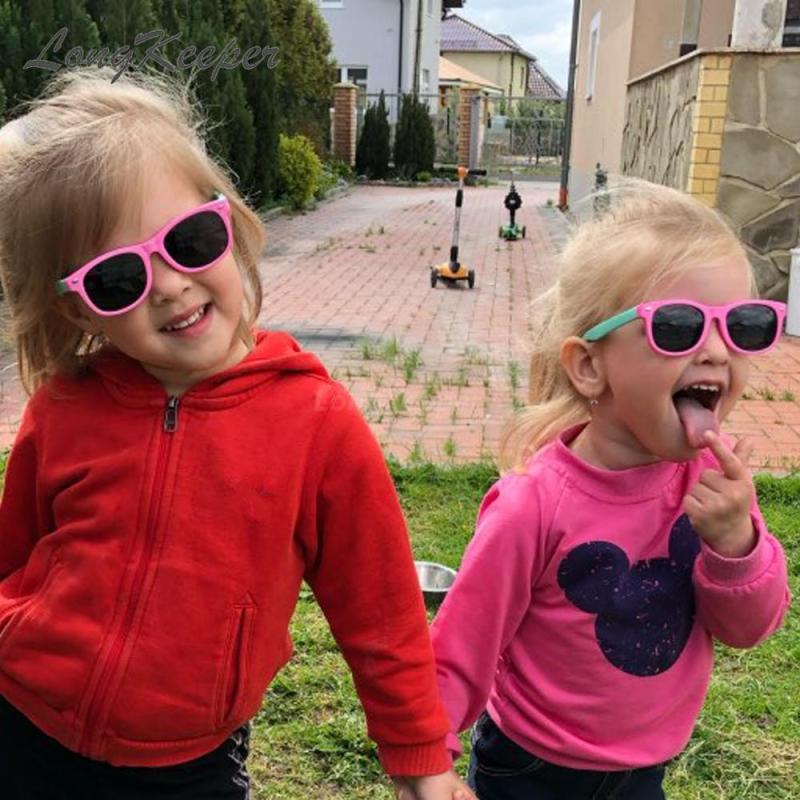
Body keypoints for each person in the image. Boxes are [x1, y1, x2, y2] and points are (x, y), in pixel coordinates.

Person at [0, 67, 475, 800]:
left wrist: (421, 758)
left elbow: (381, 609)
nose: (169, 285)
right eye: (118, 279)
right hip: (23, 724)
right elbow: (17, 556)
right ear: (79, 309)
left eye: (189, 241)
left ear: (230, 221)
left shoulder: (316, 423)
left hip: (188, 766)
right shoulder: (65, 406)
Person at [430, 182, 791, 800]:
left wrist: (736, 544)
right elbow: (462, 646)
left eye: (741, 325)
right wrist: (428, 759)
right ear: (590, 366)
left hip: (645, 772)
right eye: (677, 327)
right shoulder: (534, 505)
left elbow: (747, 629)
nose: (714, 351)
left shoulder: (714, 488)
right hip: (528, 770)